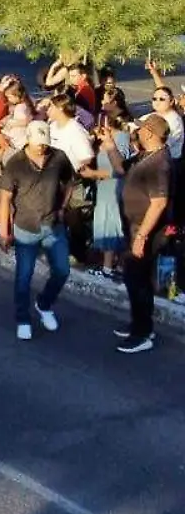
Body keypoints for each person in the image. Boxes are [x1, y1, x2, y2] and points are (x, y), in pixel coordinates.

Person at [101, 114, 173, 353]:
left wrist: (141, 237)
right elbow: (121, 168)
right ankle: (140, 324)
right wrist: (110, 145)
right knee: (135, 280)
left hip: (146, 232)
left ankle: (142, 334)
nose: (137, 131)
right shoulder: (145, 155)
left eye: (142, 129)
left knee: (137, 281)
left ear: (151, 133)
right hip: (134, 227)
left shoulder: (159, 164)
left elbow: (159, 202)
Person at [0, 121, 75, 341]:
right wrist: (4, 232)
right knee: (24, 276)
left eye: (45, 143)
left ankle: (44, 304)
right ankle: (23, 318)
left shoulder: (58, 157)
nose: (42, 147)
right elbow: (5, 198)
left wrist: (62, 207)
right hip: (26, 227)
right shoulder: (16, 164)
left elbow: (70, 181)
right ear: (29, 140)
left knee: (62, 270)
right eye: (38, 143)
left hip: (53, 224)